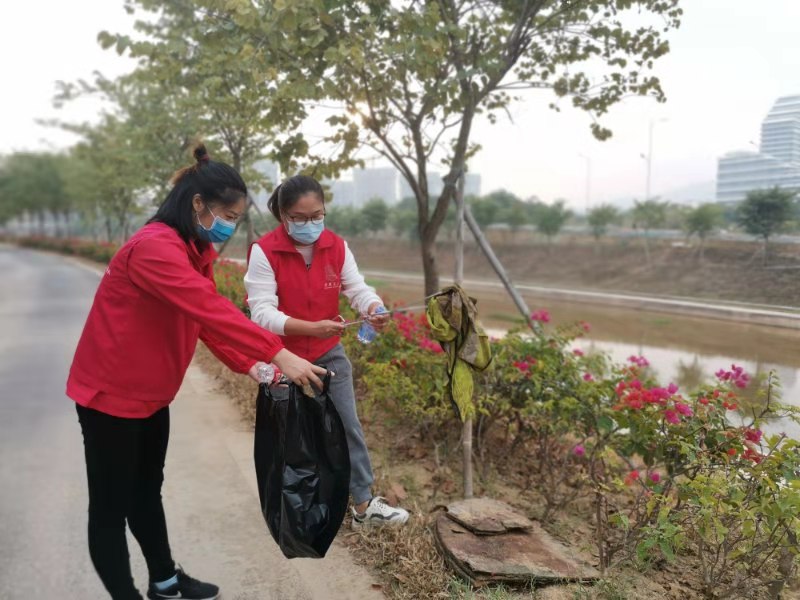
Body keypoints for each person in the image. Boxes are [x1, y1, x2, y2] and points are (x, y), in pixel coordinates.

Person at [67, 145, 326, 600]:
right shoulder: (154, 249)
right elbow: (210, 307)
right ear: (197, 204)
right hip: (109, 397)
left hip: (151, 395)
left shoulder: (193, 250)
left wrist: (257, 367)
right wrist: (278, 352)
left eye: (237, 216)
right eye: (227, 213)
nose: (228, 225)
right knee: (110, 507)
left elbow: (205, 323)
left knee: (146, 490)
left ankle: (165, 580)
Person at [244, 175, 410, 529]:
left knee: (346, 424)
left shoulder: (336, 246)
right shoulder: (265, 251)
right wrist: (309, 327)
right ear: (283, 217)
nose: (310, 225)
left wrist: (373, 307)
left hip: (327, 351)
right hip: (281, 356)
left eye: (317, 215)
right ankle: (289, 506)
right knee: (289, 433)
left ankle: (363, 505)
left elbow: (356, 287)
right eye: (300, 218)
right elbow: (261, 312)